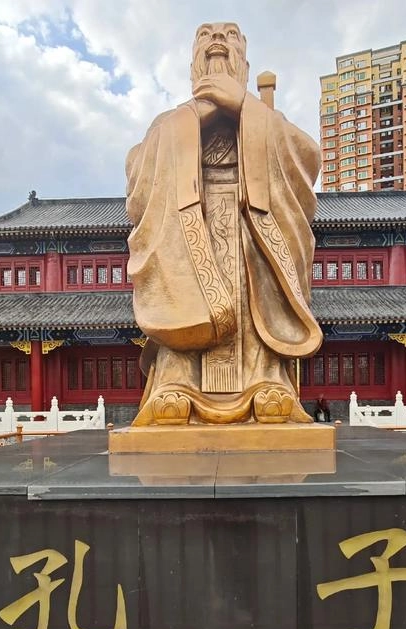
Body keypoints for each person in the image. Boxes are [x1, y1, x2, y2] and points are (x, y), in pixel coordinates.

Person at [126, 21, 322, 426]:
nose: (217, 39)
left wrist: (244, 108)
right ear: (192, 66)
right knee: (182, 292)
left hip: (250, 227)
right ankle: (176, 384)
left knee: (257, 295)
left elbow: (307, 157)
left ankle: (266, 382)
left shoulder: (267, 119)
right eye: (205, 35)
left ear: (245, 65)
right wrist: (193, 118)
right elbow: (138, 171)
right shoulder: (170, 123)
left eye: (230, 35)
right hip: (188, 224)